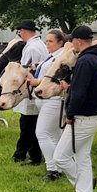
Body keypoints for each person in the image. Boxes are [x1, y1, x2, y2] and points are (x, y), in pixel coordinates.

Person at [53, 25, 97, 192]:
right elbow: (88, 87)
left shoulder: (84, 62)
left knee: (60, 157)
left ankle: (85, 185)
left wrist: (70, 113)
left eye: (72, 40)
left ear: (78, 41)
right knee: (82, 157)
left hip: (83, 116)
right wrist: (71, 87)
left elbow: (81, 92)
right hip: (94, 114)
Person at [31, 29, 67, 180]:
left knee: (42, 133)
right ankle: (60, 167)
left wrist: (37, 82)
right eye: (46, 41)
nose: (47, 44)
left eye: (51, 41)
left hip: (53, 99)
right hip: (45, 99)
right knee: (53, 134)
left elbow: (56, 79)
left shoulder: (60, 58)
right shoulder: (51, 57)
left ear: (61, 43)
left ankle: (53, 168)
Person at [12, 20, 46, 166]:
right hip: (37, 88)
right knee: (32, 124)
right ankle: (31, 154)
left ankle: (26, 155)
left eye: (20, 31)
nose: (20, 34)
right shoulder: (40, 45)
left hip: (30, 89)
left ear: (24, 31)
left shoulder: (31, 47)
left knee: (27, 125)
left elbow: (23, 71)